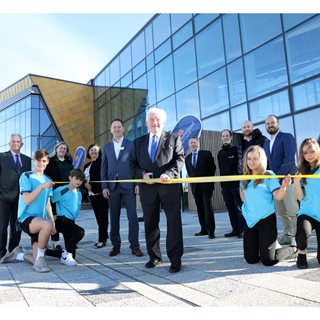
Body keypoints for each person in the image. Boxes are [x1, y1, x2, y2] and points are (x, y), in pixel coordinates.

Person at [130, 107, 185, 273]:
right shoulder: (138, 142)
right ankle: (154, 257)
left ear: (163, 121)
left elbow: (179, 159)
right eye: (151, 119)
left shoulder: (174, 139)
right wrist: (142, 175)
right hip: (148, 190)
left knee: (174, 224)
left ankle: (175, 259)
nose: (155, 122)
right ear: (147, 122)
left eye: (158, 119)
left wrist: (170, 173)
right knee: (150, 224)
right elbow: (132, 164)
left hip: (169, 188)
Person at [239, 145, 296, 266]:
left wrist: (284, 186)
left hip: (266, 220)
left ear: (261, 159)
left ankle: (291, 249)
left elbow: (278, 196)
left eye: (255, 158)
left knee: (268, 261)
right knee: (251, 259)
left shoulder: (268, 175)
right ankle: (265, 246)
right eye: (249, 159)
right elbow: (242, 194)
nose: (252, 162)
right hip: (250, 221)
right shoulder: (244, 177)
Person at [0, 149, 55, 273]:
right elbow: (28, 200)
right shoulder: (26, 176)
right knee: (46, 224)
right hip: (26, 219)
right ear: (34, 161)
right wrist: (41, 187)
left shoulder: (48, 179)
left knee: (47, 225)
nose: (41, 164)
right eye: (38, 161)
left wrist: (53, 223)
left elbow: (48, 204)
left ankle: (18, 255)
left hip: (40, 221)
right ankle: (41, 260)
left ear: (47, 162)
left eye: (44, 161)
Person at [101, 119, 143, 258]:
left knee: (132, 217)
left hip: (129, 186)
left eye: (119, 127)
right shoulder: (106, 147)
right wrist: (104, 186)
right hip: (113, 187)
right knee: (114, 217)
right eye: (114, 127)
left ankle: (135, 246)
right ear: (111, 130)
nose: (117, 129)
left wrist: (137, 184)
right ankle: (115, 246)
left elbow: (137, 165)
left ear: (123, 129)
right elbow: (104, 168)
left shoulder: (131, 144)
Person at [264, 115, 298, 245]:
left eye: (272, 122)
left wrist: (276, 177)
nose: (270, 125)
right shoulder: (266, 143)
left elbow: (289, 159)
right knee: (282, 211)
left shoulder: (287, 137)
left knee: (292, 210)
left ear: (278, 123)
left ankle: (296, 236)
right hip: (275, 183)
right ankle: (288, 235)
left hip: (287, 179)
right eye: (267, 124)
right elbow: (268, 163)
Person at [0, 134, 31, 259]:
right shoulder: (1, 157)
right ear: (9, 143)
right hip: (3, 198)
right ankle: (1, 251)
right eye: (13, 141)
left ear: (22, 144)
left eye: (18, 141)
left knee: (17, 226)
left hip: (21, 199)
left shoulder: (28, 160)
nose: (15, 143)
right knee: (2, 226)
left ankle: (13, 249)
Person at [293, 138, 320, 269]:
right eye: (305, 153)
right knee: (302, 234)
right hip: (307, 212)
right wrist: (297, 182)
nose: (308, 155)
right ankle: (301, 252)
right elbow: (300, 197)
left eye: (312, 151)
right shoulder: (301, 171)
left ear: (318, 151)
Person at [51, 168, 85, 266]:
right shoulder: (62, 190)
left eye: (81, 180)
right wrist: (52, 215)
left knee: (72, 255)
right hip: (61, 220)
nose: (78, 181)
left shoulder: (79, 193)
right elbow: (49, 201)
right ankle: (66, 254)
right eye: (76, 178)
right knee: (80, 232)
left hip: (71, 222)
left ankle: (48, 252)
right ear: (70, 178)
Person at [44, 141, 74, 251]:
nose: (62, 150)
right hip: (55, 194)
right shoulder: (50, 161)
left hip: (68, 194)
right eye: (61, 148)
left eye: (65, 149)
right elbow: (45, 175)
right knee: (55, 217)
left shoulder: (69, 162)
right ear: (56, 149)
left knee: (68, 217)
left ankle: (70, 240)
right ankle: (56, 242)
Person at [185, 137, 216, 239]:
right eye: (191, 143)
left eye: (194, 142)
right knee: (200, 209)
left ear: (198, 144)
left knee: (208, 208)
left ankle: (211, 231)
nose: (193, 144)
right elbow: (190, 173)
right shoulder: (187, 158)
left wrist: (209, 182)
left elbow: (213, 168)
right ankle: (204, 229)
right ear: (189, 145)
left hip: (206, 187)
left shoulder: (206, 153)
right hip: (195, 188)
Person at [217, 129, 244, 238]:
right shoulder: (220, 153)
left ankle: (242, 230)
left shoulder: (235, 150)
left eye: (227, 135)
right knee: (230, 209)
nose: (225, 137)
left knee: (239, 208)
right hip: (225, 186)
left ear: (231, 137)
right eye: (223, 136)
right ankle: (235, 230)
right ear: (221, 138)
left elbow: (240, 166)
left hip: (236, 185)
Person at [84, 144, 109, 249]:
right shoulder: (86, 165)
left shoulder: (102, 162)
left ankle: (101, 240)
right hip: (91, 194)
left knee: (103, 217)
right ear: (88, 152)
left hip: (100, 193)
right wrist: (85, 184)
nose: (93, 152)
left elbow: (103, 177)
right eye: (91, 150)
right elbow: (84, 178)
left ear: (99, 152)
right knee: (98, 217)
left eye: (95, 150)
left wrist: (92, 186)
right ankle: (104, 235)